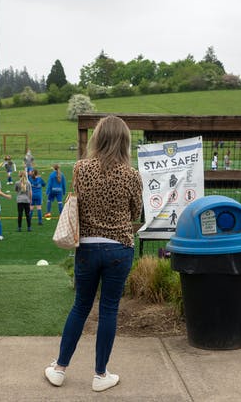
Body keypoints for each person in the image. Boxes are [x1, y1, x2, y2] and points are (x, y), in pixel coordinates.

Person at [44, 115, 143, 393]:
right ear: (124, 141)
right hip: (119, 248)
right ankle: (100, 375)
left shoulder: (80, 169)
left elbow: (78, 203)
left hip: (87, 247)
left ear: (97, 138)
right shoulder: (132, 175)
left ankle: (60, 368)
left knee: (81, 306)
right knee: (109, 309)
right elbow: (135, 212)